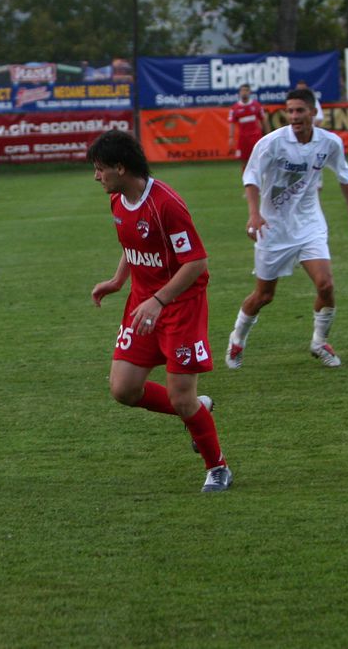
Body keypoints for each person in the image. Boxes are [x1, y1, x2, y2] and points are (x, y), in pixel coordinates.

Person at [86, 129, 231, 493]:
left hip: (180, 307)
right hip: (143, 305)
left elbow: (195, 262)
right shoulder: (118, 200)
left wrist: (159, 300)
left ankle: (218, 467)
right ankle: (197, 409)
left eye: (100, 168)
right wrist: (118, 280)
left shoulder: (166, 204)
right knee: (123, 389)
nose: (96, 176)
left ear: (121, 168)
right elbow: (133, 245)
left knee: (181, 396)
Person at [225, 88, 348, 370]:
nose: (293, 116)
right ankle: (237, 338)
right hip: (273, 227)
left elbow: (345, 176)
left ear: (313, 112)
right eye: (289, 111)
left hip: (309, 224)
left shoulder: (329, 143)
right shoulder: (272, 143)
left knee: (326, 285)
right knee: (264, 296)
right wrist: (254, 214)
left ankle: (319, 342)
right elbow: (251, 177)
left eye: (299, 110)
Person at [228, 83, 268, 170]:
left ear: (250, 92)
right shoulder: (235, 108)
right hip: (243, 139)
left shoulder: (256, 105)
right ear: (239, 93)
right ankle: (246, 178)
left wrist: (267, 134)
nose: (244, 92)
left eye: (246, 90)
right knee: (244, 161)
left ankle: (259, 177)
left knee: (258, 159)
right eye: (242, 90)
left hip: (256, 137)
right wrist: (231, 137)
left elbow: (263, 120)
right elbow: (231, 123)